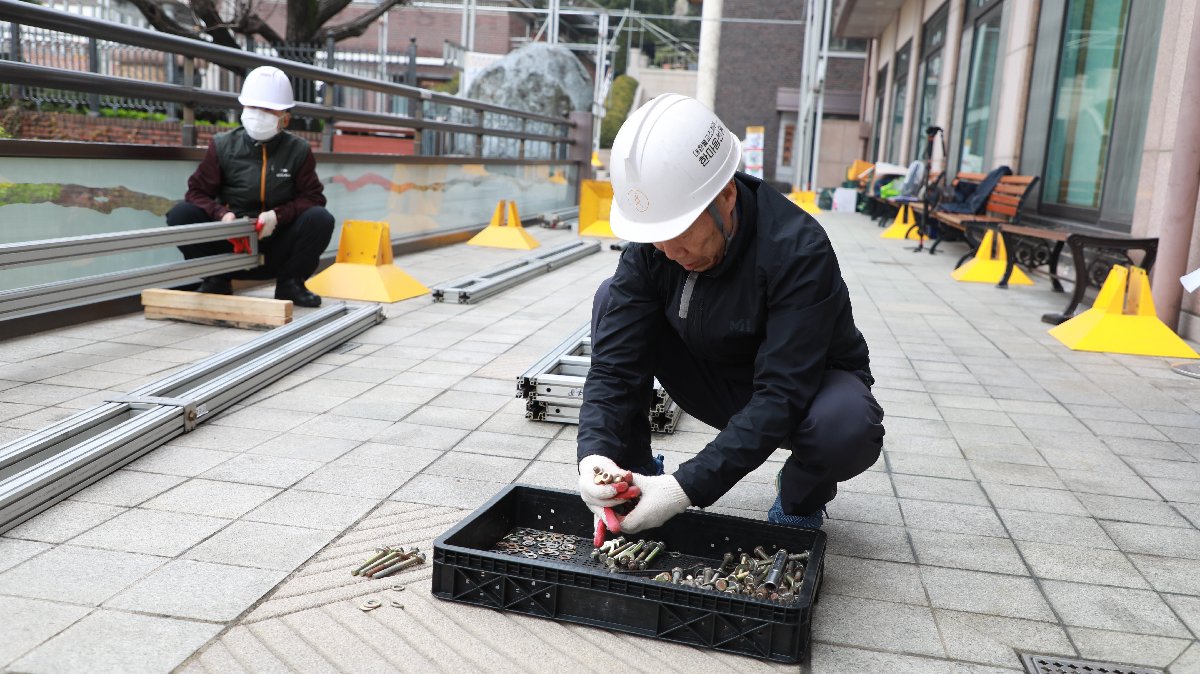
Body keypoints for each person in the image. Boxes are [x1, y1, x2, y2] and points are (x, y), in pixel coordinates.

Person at [577, 94, 885, 537]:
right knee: (612, 299)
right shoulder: (655, 247)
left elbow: (782, 392)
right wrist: (595, 455)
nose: (669, 252)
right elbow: (614, 368)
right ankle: (634, 481)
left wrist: (686, 488)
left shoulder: (798, 251)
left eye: (679, 233)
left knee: (846, 427)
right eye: (656, 238)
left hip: (800, 393)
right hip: (710, 378)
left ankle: (799, 497)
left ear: (726, 196)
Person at [166, 65, 333, 307]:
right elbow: (196, 192)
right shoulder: (223, 145)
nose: (258, 114)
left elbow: (313, 198)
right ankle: (215, 279)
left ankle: (291, 283)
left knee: (320, 218)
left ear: (285, 118)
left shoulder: (298, 150)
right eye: (253, 107)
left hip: (277, 244)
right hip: (231, 242)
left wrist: (277, 216)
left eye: (267, 109)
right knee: (181, 214)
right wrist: (222, 215)